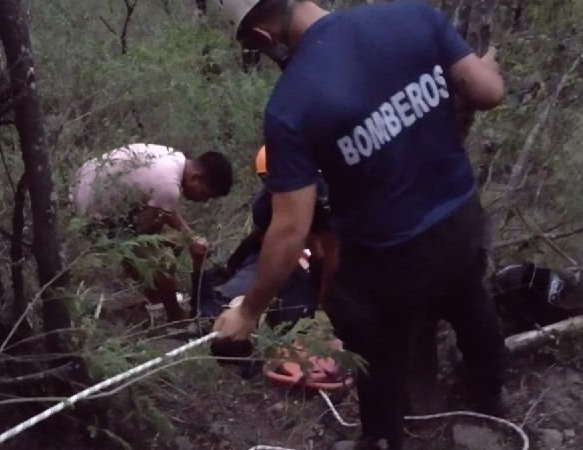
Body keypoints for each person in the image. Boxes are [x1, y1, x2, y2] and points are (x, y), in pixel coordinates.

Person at [207, 1, 508, 448]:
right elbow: (488, 93)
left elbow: (290, 229)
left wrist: (248, 312)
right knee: (468, 296)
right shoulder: (412, 16)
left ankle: (383, 435)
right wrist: (487, 66)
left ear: (262, 38)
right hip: (460, 214)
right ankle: (489, 395)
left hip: (388, 253)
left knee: (366, 332)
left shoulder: (290, 107)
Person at [71, 142, 233, 322]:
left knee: (173, 241)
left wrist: (190, 236)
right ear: (196, 177)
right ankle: (175, 316)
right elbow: (142, 233)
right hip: (92, 215)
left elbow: (163, 207)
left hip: (84, 184)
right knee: (161, 260)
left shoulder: (175, 159)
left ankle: (155, 298)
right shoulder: (169, 184)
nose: (204, 201)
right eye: (205, 194)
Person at [191, 146, 333, 329]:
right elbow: (259, 238)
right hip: (267, 265)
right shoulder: (264, 206)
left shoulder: (322, 199)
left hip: (312, 251)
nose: (278, 186)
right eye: (268, 181)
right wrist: (228, 266)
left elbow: (325, 246)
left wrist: (323, 292)